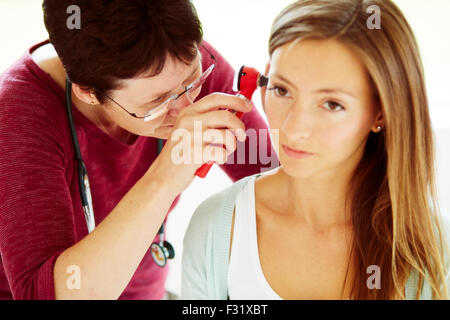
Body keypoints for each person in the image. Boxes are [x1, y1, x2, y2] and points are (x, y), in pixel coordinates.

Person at [0, 0, 277, 300]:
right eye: (157, 104)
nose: (185, 109)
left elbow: (276, 176)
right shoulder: (17, 118)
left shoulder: (170, 57)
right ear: (88, 92)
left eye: (193, 80)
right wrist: (165, 176)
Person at [182, 0, 450, 300]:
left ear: (381, 113)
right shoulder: (216, 229)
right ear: (266, 77)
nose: (294, 128)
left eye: (332, 104)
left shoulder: (430, 250)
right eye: (282, 90)